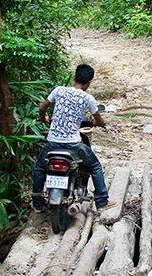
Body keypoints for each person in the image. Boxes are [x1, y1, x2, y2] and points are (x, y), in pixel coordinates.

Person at [32, 64, 117, 212]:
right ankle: (102, 201)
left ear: (74, 77)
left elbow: (42, 107)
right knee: (95, 167)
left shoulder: (58, 91)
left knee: (39, 168)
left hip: (52, 143)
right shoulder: (88, 98)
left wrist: (44, 117)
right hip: (73, 145)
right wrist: (99, 123)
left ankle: (38, 204)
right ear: (89, 82)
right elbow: (98, 118)